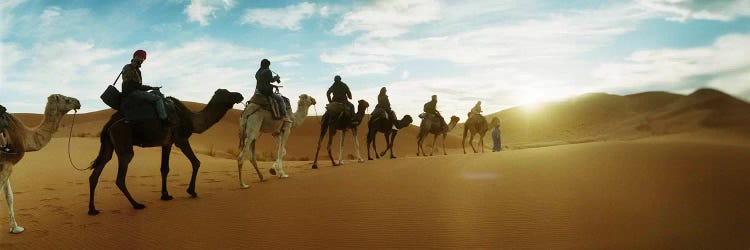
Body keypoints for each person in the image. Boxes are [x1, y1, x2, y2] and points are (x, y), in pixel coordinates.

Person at [121, 49, 169, 124]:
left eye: (143, 58)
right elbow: (129, 82)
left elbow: (139, 85)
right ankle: (164, 120)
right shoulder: (128, 67)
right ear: (135, 57)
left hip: (136, 91)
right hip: (131, 92)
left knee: (158, 93)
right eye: (140, 57)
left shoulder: (137, 70)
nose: (142, 60)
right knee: (158, 99)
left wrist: (152, 88)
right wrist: (134, 65)